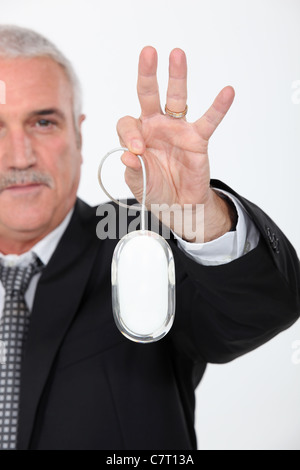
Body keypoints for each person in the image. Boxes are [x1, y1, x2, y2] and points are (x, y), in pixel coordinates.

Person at [0, 25, 298, 451]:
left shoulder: (149, 237)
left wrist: (194, 214)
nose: (19, 155)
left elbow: (261, 309)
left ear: (79, 134)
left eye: (43, 122)